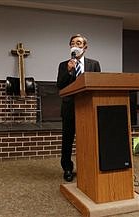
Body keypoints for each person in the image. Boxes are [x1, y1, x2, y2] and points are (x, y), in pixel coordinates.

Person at [57, 34, 101, 182]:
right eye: (73, 43)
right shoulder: (64, 65)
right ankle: (68, 168)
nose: (76, 45)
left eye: (79, 43)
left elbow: (98, 84)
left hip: (88, 107)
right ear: (70, 47)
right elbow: (60, 86)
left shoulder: (94, 64)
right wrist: (69, 71)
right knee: (67, 140)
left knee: (88, 139)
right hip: (69, 107)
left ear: (85, 48)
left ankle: (88, 167)